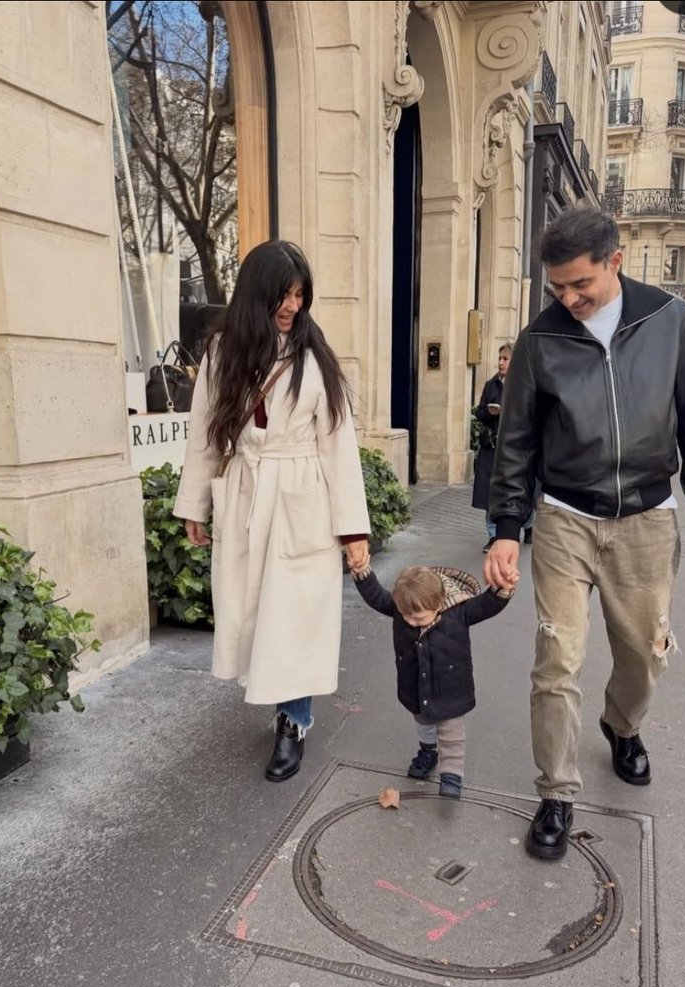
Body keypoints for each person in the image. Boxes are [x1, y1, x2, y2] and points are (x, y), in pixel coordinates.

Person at [484, 207, 685, 861]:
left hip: (647, 519)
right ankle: (557, 792)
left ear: (614, 262)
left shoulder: (666, 319)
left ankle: (621, 724)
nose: (568, 299)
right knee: (556, 659)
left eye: (580, 284)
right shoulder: (540, 339)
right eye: (556, 287)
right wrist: (505, 527)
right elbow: (516, 441)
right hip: (565, 518)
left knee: (643, 654)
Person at [174, 240, 371, 783]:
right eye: (283, 294)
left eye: (300, 294)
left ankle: (294, 720)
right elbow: (205, 436)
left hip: (302, 496)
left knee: (294, 616)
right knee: (254, 611)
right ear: (256, 295)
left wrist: (353, 530)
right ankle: (281, 705)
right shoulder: (222, 353)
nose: (292, 306)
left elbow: (338, 444)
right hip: (246, 492)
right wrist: (194, 505)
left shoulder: (313, 356)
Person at [350, 563, 514, 800]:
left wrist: (502, 589)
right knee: (423, 722)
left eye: (418, 618)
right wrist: (362, 573)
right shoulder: (402, 609)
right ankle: (428, 751)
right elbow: (376, 596)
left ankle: (452, 775)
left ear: (438, 605)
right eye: (406, 616)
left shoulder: (460, 612)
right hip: (415, 686)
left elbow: (486, 606)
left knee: (452, 734)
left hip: (451, 687)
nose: (410, 621)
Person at [471, 343, 533, 552]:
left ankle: (528, 524)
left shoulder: (523, 384)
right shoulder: (491, 385)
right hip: (491, 447)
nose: (500, 363)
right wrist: (489, 413)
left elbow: (530, 414)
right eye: (499, 358)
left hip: (515, 448)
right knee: (490, 492)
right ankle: (493, 536)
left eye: (505, 359)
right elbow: (479, 413)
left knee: (520, 491)